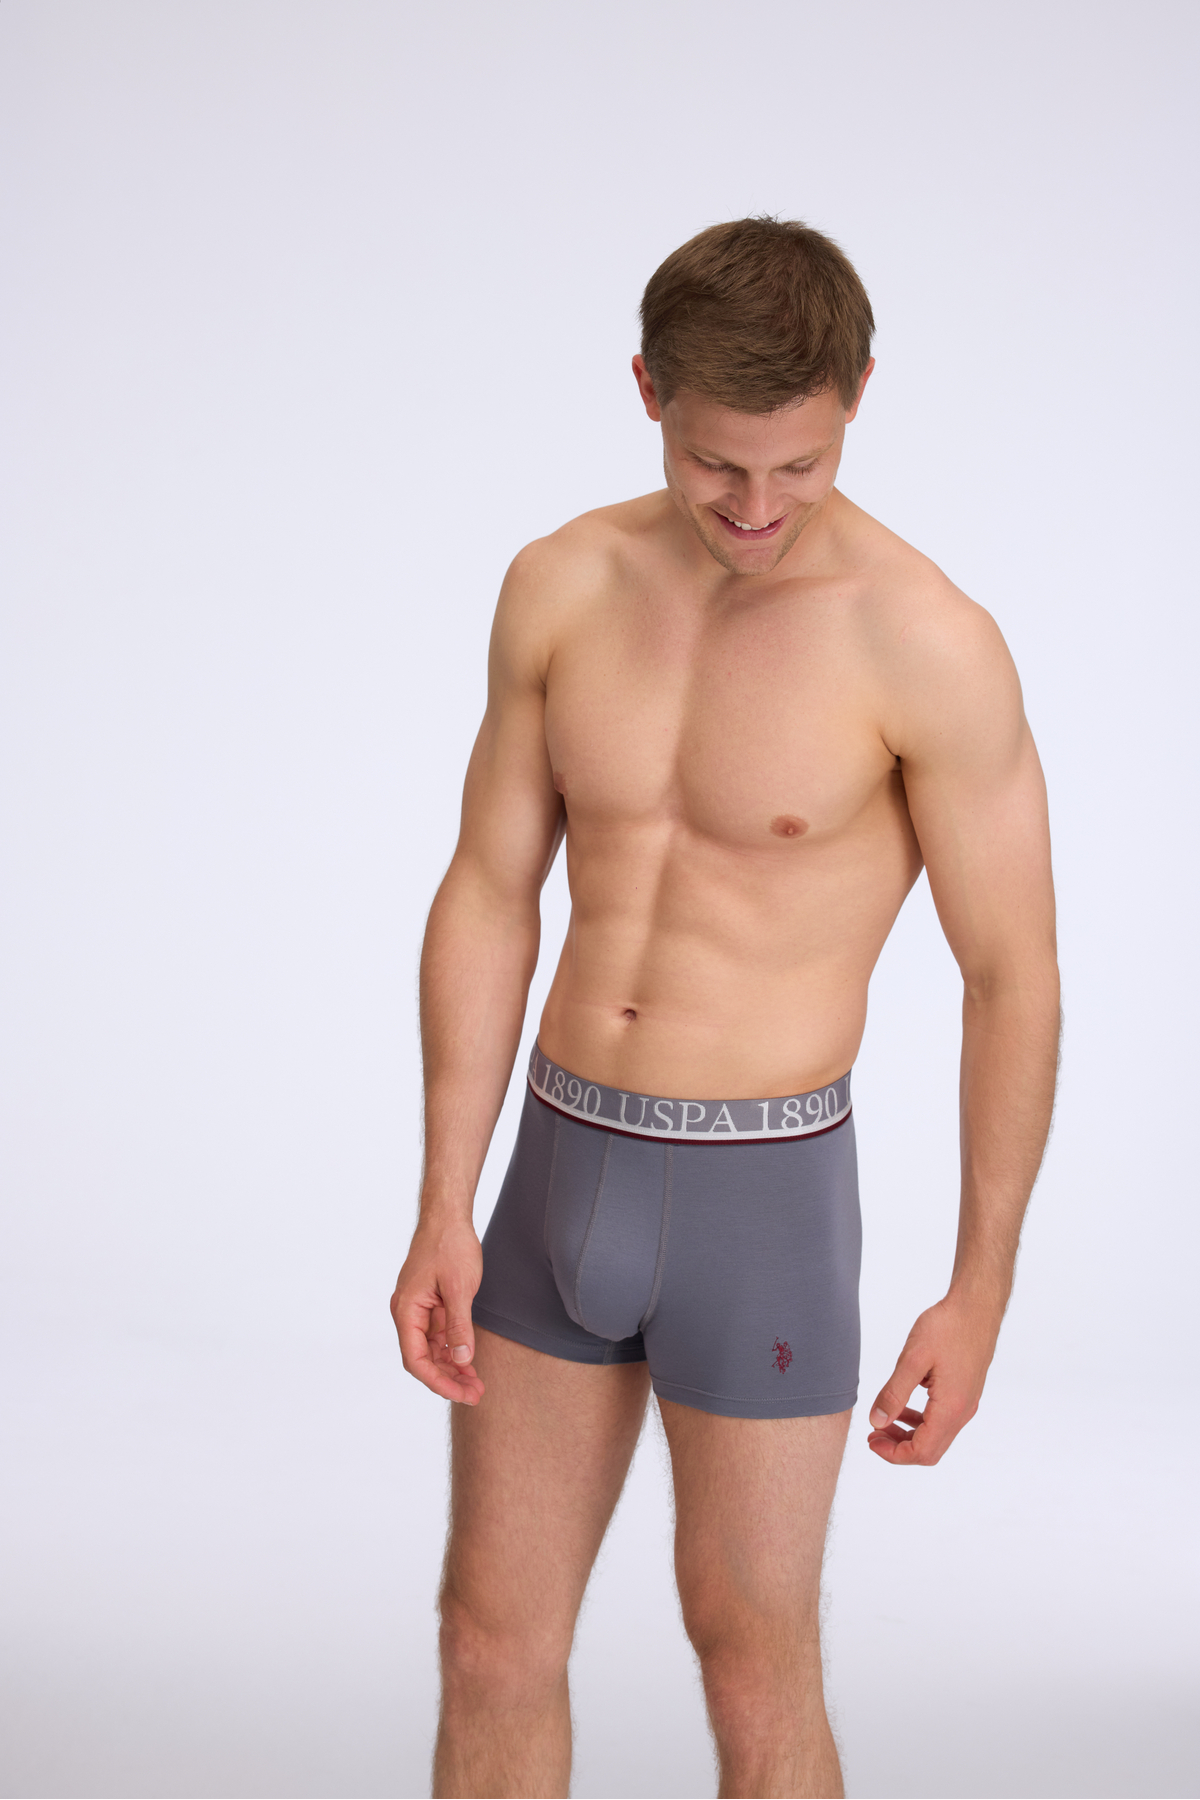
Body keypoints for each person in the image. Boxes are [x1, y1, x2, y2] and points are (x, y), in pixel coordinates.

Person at [390, 216, 1059, 1800]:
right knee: (487, 1639)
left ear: (859, 396)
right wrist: (442, 1197)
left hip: (765, 1196)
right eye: (714, 467)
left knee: (751, 1655)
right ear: (647, 391)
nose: (756, 510)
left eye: (799, 469)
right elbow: (490, 888)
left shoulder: (926, 642)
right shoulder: (562, 583)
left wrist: (980, 1290)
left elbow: (1012, 977)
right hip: (559, 1165)